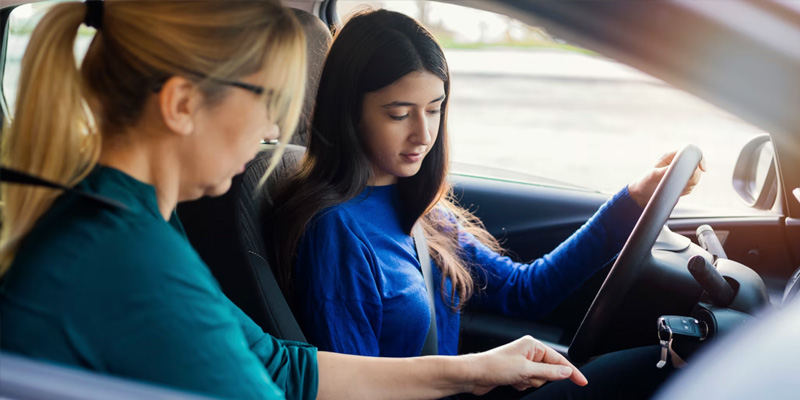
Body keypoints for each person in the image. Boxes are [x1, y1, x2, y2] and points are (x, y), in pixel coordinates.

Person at [0, 1, 588, 399]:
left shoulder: (132, 222)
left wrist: (471, 371)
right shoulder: (127, 260)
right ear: (182, 105)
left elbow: (284, 366)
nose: (271, 133)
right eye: (268, 102)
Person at [267, 8, 704, 398]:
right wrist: (473, 372)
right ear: (349, 113)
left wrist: (634, 200)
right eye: (399, 114)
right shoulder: (337, 232)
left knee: (663, 365)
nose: (423, 134)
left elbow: (523, 292)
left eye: (435, 109)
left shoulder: (416, 204)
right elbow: (349, 389)